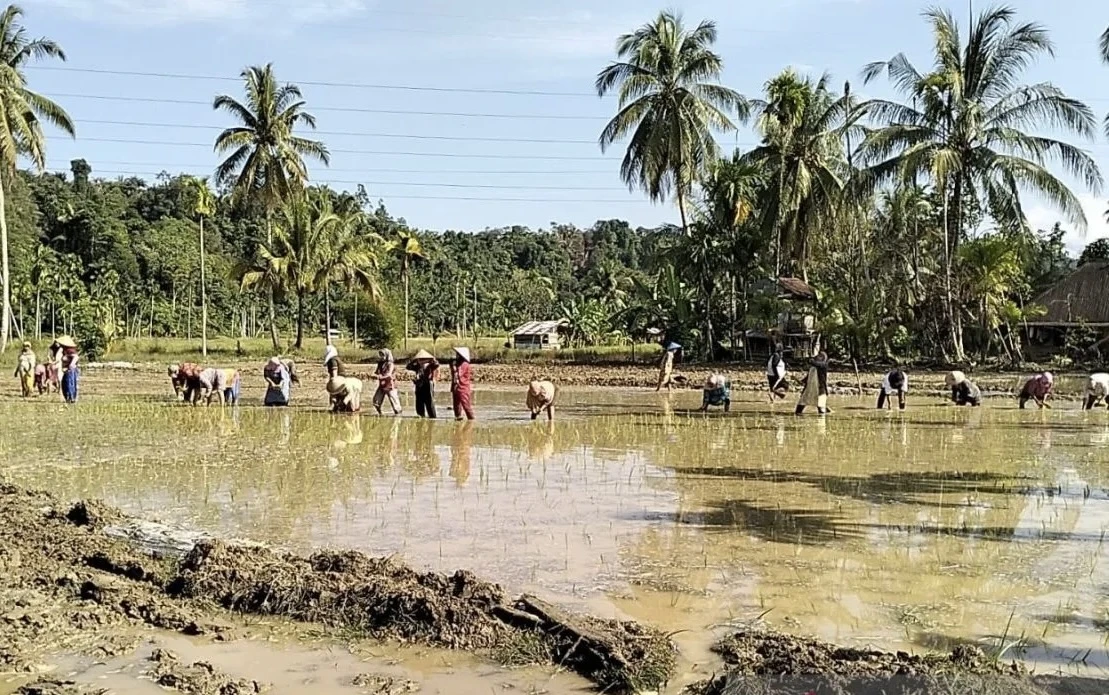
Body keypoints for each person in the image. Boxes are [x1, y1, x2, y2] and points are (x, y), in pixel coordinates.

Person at [324, 345, 362, 413]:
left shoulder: (333, 360)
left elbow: (334, 375)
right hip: (340, 381)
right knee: (338, 399)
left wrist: (344, 402)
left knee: (352, 406)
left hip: (352, 385)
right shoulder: (335, 359)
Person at [406, 349, 439, 419]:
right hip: (419, 384)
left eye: (424, 359)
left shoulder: (431, 365)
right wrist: (414, 361)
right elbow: (408, 367)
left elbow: (437, 364)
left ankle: (432, 416)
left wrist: (432, 360)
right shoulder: (417, 366)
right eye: (421, 359)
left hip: (428, 383)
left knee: (429, 400)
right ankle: (421, 414)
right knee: (419, 400)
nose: (422, 361)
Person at [795, 351, 830, 416]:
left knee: (821, 411)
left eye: (819, 356)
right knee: (798, 410)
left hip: (820, 390)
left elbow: (817, 364)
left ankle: (826, 410)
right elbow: (806, 379)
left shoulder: (824, 366)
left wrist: (810, 360)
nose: (817, 357)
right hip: (809, 390)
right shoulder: (812, 368)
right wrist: (797, 380)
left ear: (823, 358)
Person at [371, 349, 402, 416]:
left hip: (390, 385)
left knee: (395, 405)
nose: (381, 357)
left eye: (383, 355)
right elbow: (376, 373)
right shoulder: (380, 364)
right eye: (380, 355)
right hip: (382, 385)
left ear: (387, 355)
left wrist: (381, 377)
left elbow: (389, 374)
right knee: (376, 401)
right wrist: (374, 376)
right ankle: (381, 414)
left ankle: (398, 417)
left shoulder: (390, 364)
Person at [450, 346, 475, 420]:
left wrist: (453, 367)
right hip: (456, 386)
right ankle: (458, 418)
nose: (456, 356)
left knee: (466, 405)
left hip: (463, 387)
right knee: (456, 405)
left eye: (458, 354)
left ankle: (471, 419)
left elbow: (458, 374)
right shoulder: (458, 364)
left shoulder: (464, 364)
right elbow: (454, 374)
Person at [55, 336, 79, 404]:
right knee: (65, 383)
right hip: (66, 370)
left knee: (69, 384)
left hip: (70, 370)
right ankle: (68, 398)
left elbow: (76, 357)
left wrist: (71, 365)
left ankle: (71, 398)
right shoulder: (64, 350)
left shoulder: (70, 350)